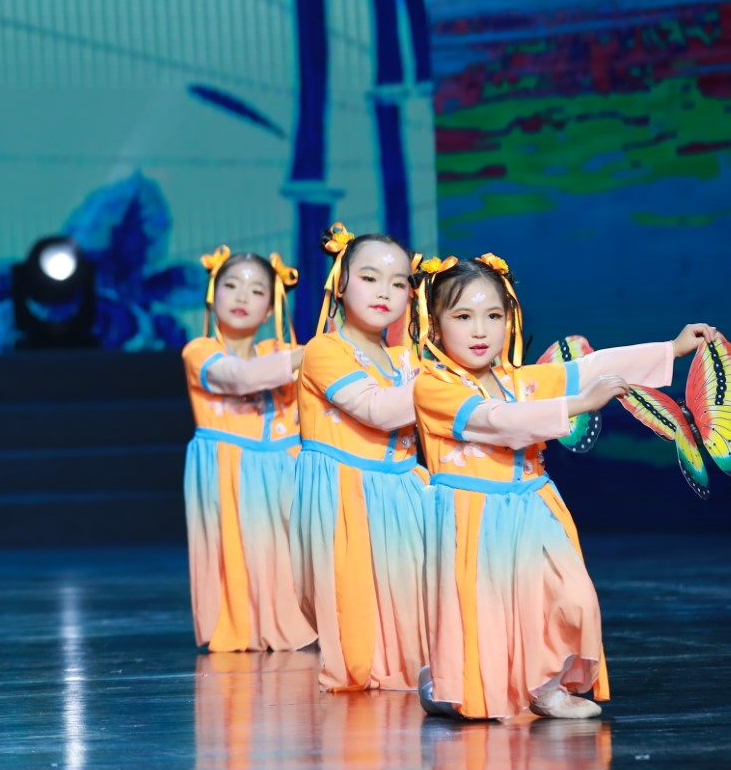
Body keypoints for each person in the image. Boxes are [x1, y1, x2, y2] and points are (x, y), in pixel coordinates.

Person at [410, 252, 716, 720]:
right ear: (435, 326)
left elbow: (591, 368)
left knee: (574, 598)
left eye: (493, 316)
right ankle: (448, 685)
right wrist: (579, 404)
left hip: (533, 506)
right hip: (472, 516)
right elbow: (500, 421)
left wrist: (671, 349)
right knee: (486, 615)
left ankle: (548, 685)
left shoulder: (519, 380)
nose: (480, 330)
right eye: (463, 317)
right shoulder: (433, 387)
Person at [292, 226, 428, 691]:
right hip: (345, 495)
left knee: (413, 610)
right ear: (340, 282)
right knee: (356, 622)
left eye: (398, 283)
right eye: (370, 278)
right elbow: (378, 410)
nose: (384, 292)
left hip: (403, 491)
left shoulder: (408, 359)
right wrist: (447, 386)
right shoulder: (325, 350)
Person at [181, 247, 313, 652]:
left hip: (284, 464)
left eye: (257, 291)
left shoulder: (280, 350)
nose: (242, 297)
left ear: (271, 307)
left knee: (288, 554)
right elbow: (238, 377)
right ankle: (240, 627)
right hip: (230, 466)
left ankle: (300, 624)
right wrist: (309, 354)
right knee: (237, 551)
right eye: (232, 285)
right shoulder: (200, 350)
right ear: (213, 294)